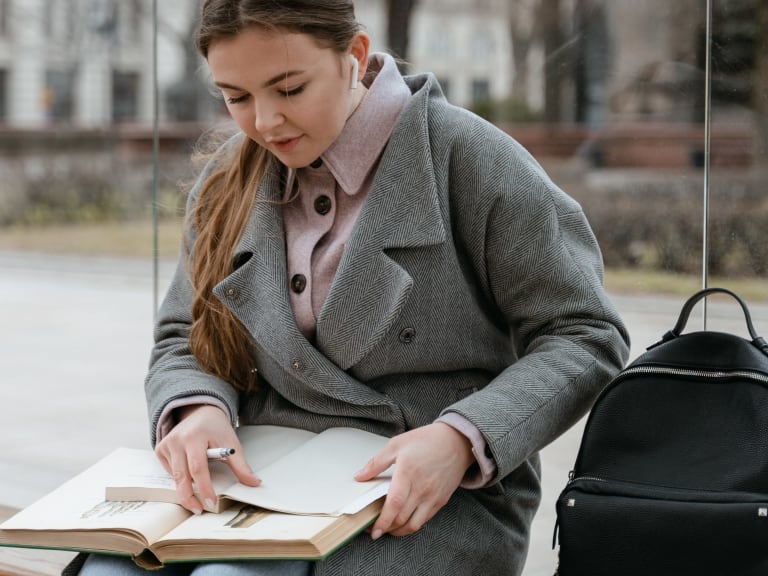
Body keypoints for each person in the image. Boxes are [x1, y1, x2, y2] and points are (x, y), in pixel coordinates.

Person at [75, 0, 630, 574]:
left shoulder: (470, 160)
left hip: (424, 494)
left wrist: (463, 439)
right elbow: (183, 334)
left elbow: (586, 334)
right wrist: (196, 409)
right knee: (107, 568)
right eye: (236, 97)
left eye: (289, 89)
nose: (264, 122)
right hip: (260, 479)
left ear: (354, 57)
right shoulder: (225, 182)